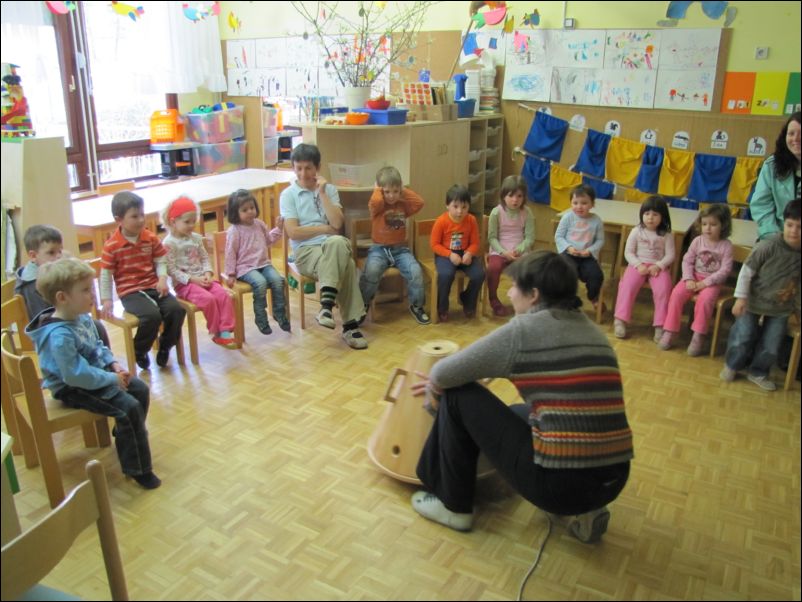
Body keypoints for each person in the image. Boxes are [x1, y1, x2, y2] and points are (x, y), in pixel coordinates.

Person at [409, 251, 633, 541]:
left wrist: (435, 394)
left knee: (458, 395)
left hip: (559, 489)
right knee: (520, 413)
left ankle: (454, 507)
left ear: (534, 295)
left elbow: (442, 374)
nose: (510, 293)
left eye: (514, 286)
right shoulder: (594, 332)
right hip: (614, 479)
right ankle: (588, 509)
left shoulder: (524, 330)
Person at [26, 257, 161, 489]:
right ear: (62, 297)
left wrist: (113, 364)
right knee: (128, 408)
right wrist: (111, 379)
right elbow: (75, 375)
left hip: (93, 374)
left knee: (139, 389)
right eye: (86, 290)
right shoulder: (60, 337)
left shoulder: (80, 317)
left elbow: (97, 346)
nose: (93, 295)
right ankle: (138, 468)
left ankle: (126, 433)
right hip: (71, 387)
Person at [279, 143, 367, 349]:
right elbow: (293, 232)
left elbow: (337, 223)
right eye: (299, 168)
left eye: (308, 168)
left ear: (317, 168)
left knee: (338, 243)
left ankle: (326, 307)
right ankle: (350, 326)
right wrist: (324, 229)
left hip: (331, 246)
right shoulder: (288, 195)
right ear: (293, 168)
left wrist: (323, 193)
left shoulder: (330, 190)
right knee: (346, 262)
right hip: (305, 252)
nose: (303, 174)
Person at [720, 199, 801, 391]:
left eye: (800, 227)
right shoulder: (768, 245)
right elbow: (746, 272)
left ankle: (758, 371)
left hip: (781, 308)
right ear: (783, 222)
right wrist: (741, 298)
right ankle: (732, 365)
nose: (794, 231)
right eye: (790, 225)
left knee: (771, 344)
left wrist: (798, 309)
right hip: (752, 302)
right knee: (743, 336)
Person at [100, 191, 186, 370]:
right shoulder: (111, 246)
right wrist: (106, 299)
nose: (140, 220)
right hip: (130, 293)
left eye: (142, 215)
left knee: (176, 310)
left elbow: (160, 261)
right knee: (151, 316)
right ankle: (139, 350)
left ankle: (165, 345)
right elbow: (106, 275)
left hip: (153, 286)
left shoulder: (150, 238)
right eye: (134, 216)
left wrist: (162, 279)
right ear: (119, 219)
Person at [15, 224, 111, 348]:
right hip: (51, 335)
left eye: (60, 251)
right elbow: (44, 322)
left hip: (65, 321)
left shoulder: (51, 272)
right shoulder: (32, 286)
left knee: (96, 327)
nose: (58, 257)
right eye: (51, 252)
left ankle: (104, 358)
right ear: (33, 256)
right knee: (95, 328)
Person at [161, 196, 237, 347]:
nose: (191, 225)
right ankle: (215, 332)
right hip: (185, 285)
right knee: (208, 299)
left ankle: (225, 331)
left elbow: (204, 258)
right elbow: (171, 270)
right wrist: (193, 279)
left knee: (223, 295)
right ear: (173, 222)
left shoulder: (196, 238)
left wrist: (208, 273)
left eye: (193, 221)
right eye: (187, 222)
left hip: (204, 278)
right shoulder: (169, 243)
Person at [359, 165, 430, 325]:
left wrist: (402, 190)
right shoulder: (377, 206)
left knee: (415, 272)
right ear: (380, 190)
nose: (391, 196)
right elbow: (376, 201)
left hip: (400, 250)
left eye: (395, 191)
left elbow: (419, 202)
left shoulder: (402, 205)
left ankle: (417, 306)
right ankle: (363, 304)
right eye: (387, 192)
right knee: (371, 272)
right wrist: (377, 190)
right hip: (379, 250)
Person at [659, 204, 733, 355]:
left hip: (712, 283)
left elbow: (725, 270)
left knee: (705, 300)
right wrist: (688, 278)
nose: (708, 228)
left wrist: (705, 283)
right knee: (676, 294)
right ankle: (670, 330)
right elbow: (687, 261)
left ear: (723, 225)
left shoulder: (726, 246)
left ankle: (698, 335)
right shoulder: (697, 241)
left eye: (713, 225)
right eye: (704, 224)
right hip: (693, 278)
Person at [223, 189, 289, 335]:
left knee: (278, 281)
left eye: (252, 208)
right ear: (235, 212)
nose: (250, 212)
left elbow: (269, 240)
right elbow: (230, 253)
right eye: (244, 210)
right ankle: (261, 319)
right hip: (245, 268)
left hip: (263, 264)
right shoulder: (234, 230)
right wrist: (230, 273)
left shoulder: (259, 224)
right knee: (260, 283)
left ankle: (279, 314)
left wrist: (278, 229)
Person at [613, 196, 675, 341]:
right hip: (638, 265)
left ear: (663, 216)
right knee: (627, 286)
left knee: (664, 289)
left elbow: (670, 255)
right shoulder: (636, 231)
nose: (650, 218)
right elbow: (628, 252)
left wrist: (659, 266)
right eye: (647, 213)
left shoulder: (667, 234)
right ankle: (620, 320)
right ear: (642, 214)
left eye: (655, 214)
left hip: (657, 267)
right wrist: (638, 264)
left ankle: (660, 325)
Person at [430, 185, 485, 322]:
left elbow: (475, 243)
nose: (460, 211)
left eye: (464, 207)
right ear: (447, 205)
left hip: (465, 253)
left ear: (469, 206)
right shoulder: (441, 221)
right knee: (445, 275)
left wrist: (470, 253)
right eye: (455, 206)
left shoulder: (471, 220)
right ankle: (442, 307)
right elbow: (434, 245)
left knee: (479, 275)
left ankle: (467, 299)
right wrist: (450, 254)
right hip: (445, 254)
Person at [486, 175, 534, 317]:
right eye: (511, 196)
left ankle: (523, 300)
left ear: (524, 197)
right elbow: (492, 238)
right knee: (493, 268)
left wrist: (519, 250)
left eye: (519, 196)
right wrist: (504, 252)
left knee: (527, 269)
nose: (515, 200)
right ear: (503, 195)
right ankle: (493, 300)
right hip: (499, 250)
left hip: (520, 250)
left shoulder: (527, 212)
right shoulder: (496, 212)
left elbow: (530, 238)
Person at [750, 111, 800, 241]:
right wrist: (774, 236)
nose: (796, 139)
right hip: (776, 236)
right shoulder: (772, 165)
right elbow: (761, 204)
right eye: (791, 133)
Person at [554, 184, 605, 310]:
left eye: (584, 203)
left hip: (587, 257)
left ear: (592, 204)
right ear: (571, 203)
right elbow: (559, 236)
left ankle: (593, 297)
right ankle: (567, 299)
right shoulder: (567, 217)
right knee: (567, 273)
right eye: (575, 203)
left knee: (596, 275)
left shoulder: (596, 220)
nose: (579, 206)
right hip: (569, 254)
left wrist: (589, 251)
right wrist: (569, 248)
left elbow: (600, 240)